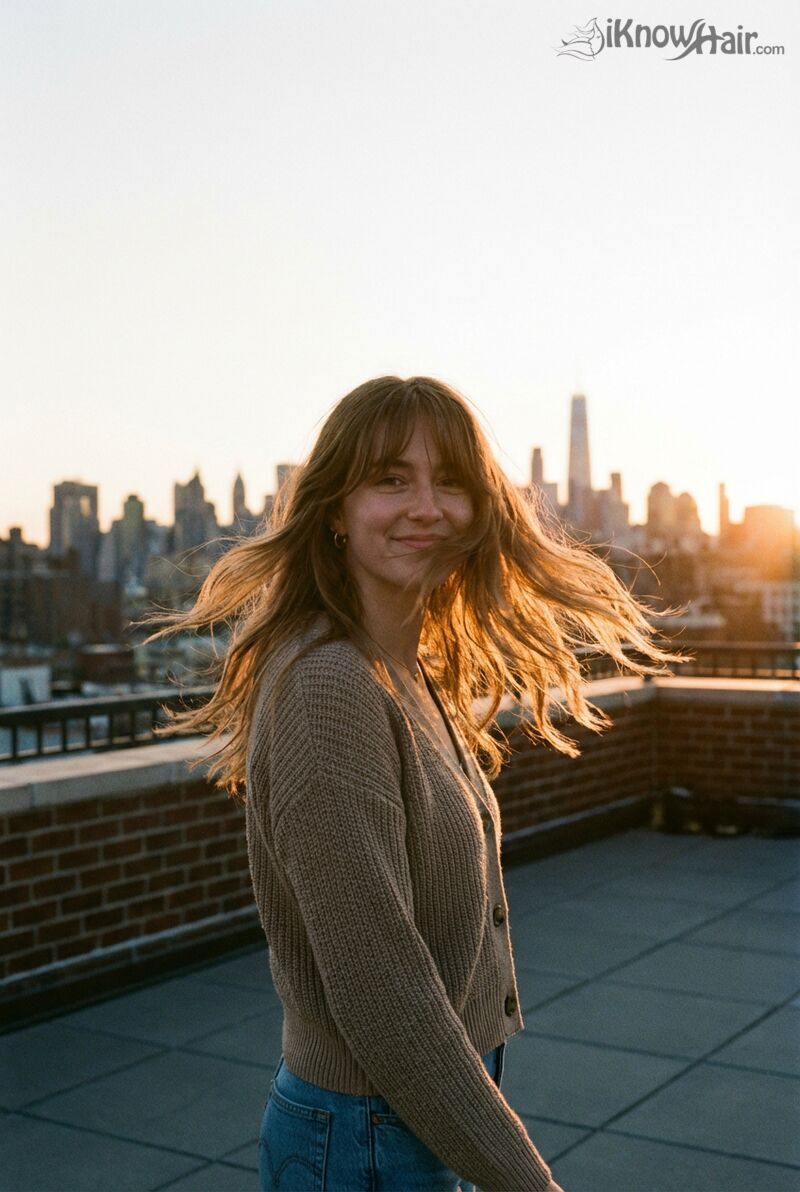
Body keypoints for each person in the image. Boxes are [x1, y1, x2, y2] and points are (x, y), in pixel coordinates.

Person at [141, 375, 682, 1190]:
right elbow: (382, 996)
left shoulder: (403, 668)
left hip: (414, 1118)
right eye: (391, 480)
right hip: (365, 1141)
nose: (427, 507)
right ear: (333, 508)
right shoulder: (331, 689)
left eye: (452, 482)